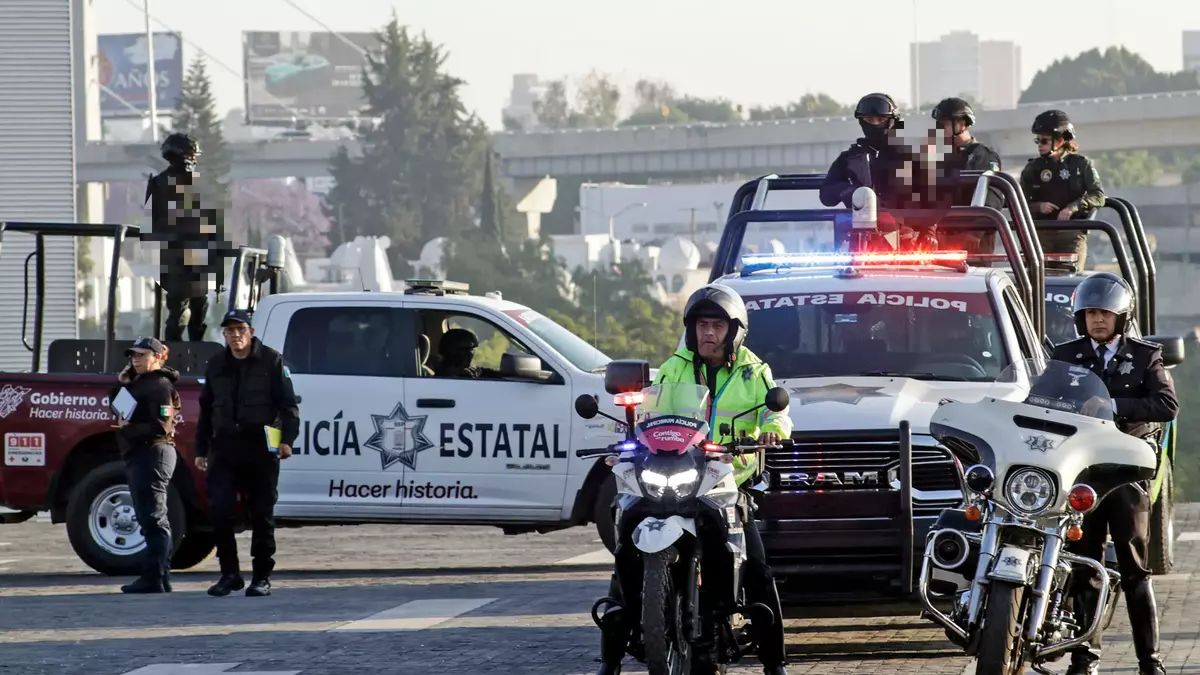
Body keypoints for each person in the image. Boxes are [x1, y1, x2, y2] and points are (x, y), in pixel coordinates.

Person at [594, 284, 792, 675]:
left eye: (717, 325)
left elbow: (778, 413)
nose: (708, 333)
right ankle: (610, 661)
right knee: (625, 559)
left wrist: (771, 430)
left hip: (728, 479)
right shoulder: (674, 367)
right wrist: (628, 443)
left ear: (733, 331)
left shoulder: (755, 371)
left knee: (757, 570)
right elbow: (649, 413)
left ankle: (774, 663)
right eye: (702, 324)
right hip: (677, 472)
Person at [1050, 273, 1177, 675]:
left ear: (1121, 316)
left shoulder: (1145, 356)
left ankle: (1149, 661)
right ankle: (1084, 658)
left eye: (1104, 313)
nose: (1097, 320)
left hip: (1125, 474)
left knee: (1135, 569)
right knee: (1083, 567)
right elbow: (1043, 401)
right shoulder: (1065, 355)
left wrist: (1110, 404)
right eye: (1090, 313)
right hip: (1082, 474)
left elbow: (1166, 404)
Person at [195, 309, 300, 598]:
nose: (235, 336)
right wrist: (201, 449)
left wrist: (286, 440)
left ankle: (261, 576)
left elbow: (288, 407)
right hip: (224, 449)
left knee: (261, 514)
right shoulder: (216, 364)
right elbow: (206, 409)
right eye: (229, 331)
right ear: (224, 335)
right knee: (220, 511)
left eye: (240, 330)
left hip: (260, 448)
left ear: (250, 332)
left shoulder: (271, 360)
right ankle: (230, 574)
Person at [112, 337, 182, 594]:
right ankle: (159, 577)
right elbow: (118, 408)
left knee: (153, 518)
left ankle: (155, 576)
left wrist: (129, 431)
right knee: (148, 517)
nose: (136, 359)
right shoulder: (140, 384)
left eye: (142, 355)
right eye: (133, 355)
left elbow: (161, 426)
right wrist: (121, 384)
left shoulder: (160, 386)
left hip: (153, 453)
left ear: (156, 357)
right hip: (141, 454)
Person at [144, 132, 230, 342]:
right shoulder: (160, 183)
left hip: (197, 252)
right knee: (179, 309)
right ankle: (174, 349)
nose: (193, 159)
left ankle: (194, 346)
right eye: (191, 154)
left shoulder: (199, 182)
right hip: (176, 254)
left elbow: (213, 218)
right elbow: (153, 222)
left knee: (198, 307)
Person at [1020, 110, 1106, 266]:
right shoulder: (1032, 169)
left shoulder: (1080, 164)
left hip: (1072, 234)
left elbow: (1098, 195)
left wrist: (1073, 208)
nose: (1040, 145)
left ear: (1060, 141)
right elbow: (1019, 202)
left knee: (1070, 279)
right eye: (1038, 141)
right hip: (1040, 235)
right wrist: (1038, 206)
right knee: (1035, 282)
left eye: (1044, 141)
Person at [930, 97, 1004, 253]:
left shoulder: (984, 156)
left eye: (945, 124)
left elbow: (993, 197)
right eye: (940, 125)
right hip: (944, 239)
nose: (941, 129)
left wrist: (975, 232)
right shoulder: (943, 160)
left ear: (962, 124)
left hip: (973, 243)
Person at [434, 328, 499, 379]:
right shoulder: (447, 378)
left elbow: (482, 371)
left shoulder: (460, 372)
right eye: (469, 349)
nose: (471, 353)